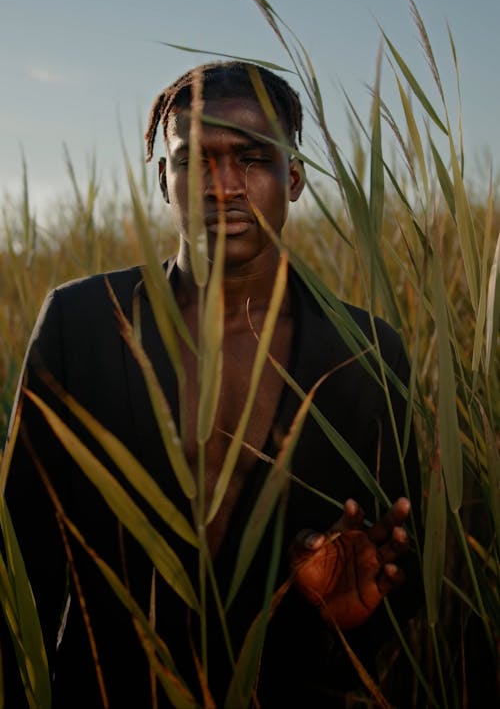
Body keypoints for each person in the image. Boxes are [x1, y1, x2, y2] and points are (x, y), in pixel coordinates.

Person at [0, 61, 423, 708]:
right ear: (164, 181)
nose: (223, 186)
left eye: (252, 158)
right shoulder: (77, 325)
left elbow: (400, 575)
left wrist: (343, 605)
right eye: (194, 160)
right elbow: (17, 555)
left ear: (296, 176)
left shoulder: (367, 352)